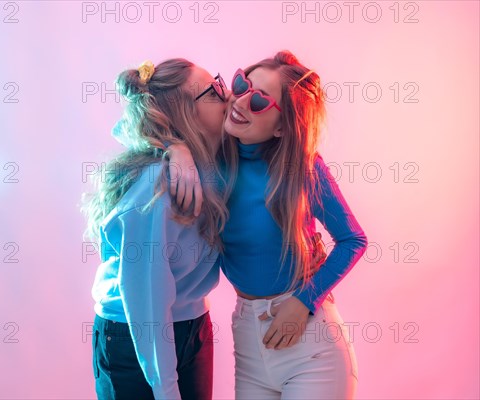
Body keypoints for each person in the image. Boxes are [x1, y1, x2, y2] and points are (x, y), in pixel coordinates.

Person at [167, 50, 368, 399]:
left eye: (260, 101)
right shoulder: (214, 156)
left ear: (282, 126)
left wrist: (304, 301)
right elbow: (136, 124)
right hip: (248, 338)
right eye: (242, 84)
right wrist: (176, 149)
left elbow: (353, 239)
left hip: (309, 341)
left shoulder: (303, 168)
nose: (241, 101)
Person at [82, 58, 230, 400]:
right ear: (185, 113)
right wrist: (165, 389)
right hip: (135, 333)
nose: (226, 97)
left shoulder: (206, 161)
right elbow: (146, 304)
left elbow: (126, 127)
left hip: (191, 323)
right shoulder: (156, 191)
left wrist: (174, 146)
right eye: (213, 90)